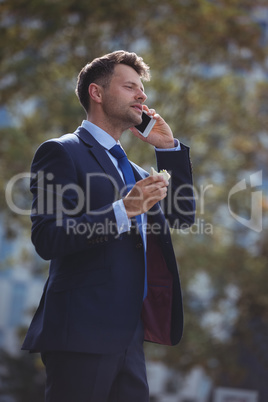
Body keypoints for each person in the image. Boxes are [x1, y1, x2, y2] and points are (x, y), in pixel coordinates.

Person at [22, 50, 195, 402]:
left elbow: (182, 216)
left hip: (131, 337)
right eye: (130, 86)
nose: (142, 96)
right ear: (96, 94)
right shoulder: (60, 152)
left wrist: (169, 150)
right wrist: (123, 210)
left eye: (141, 89)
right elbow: (47, 237)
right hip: (80, 333)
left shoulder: (138, 171)